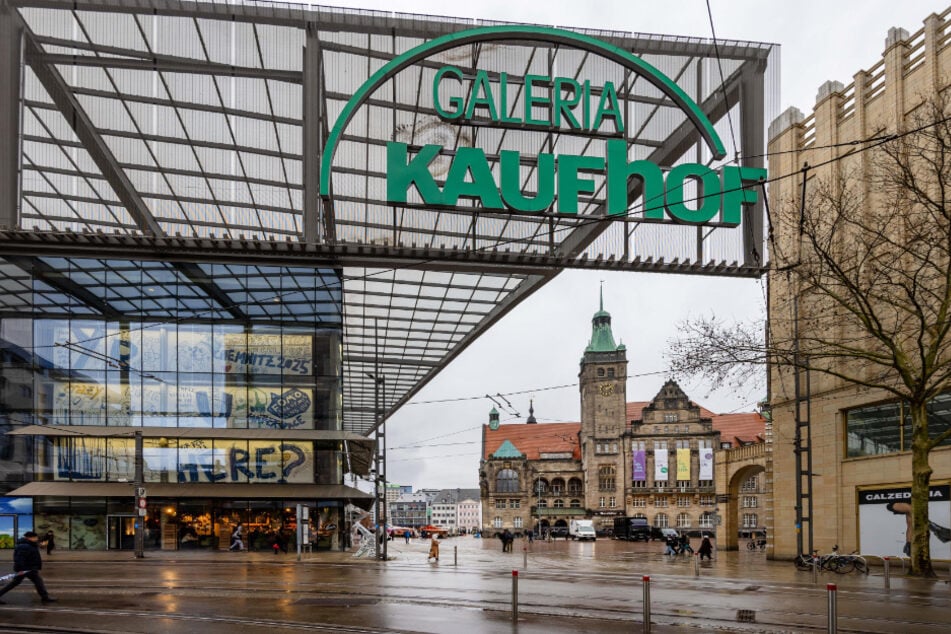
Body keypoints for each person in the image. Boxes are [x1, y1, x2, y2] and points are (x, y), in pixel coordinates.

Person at [0, 531, 56, 604]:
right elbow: (19, 559)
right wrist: (23, 570)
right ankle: (45, 597)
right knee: (17, 583)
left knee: (37, 582)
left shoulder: (30, 544)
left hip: (30, 568)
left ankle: (45, 597)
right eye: (35, 537)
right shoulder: (24, 546)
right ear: (29, 538)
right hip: (26, 569)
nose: (36, 538)